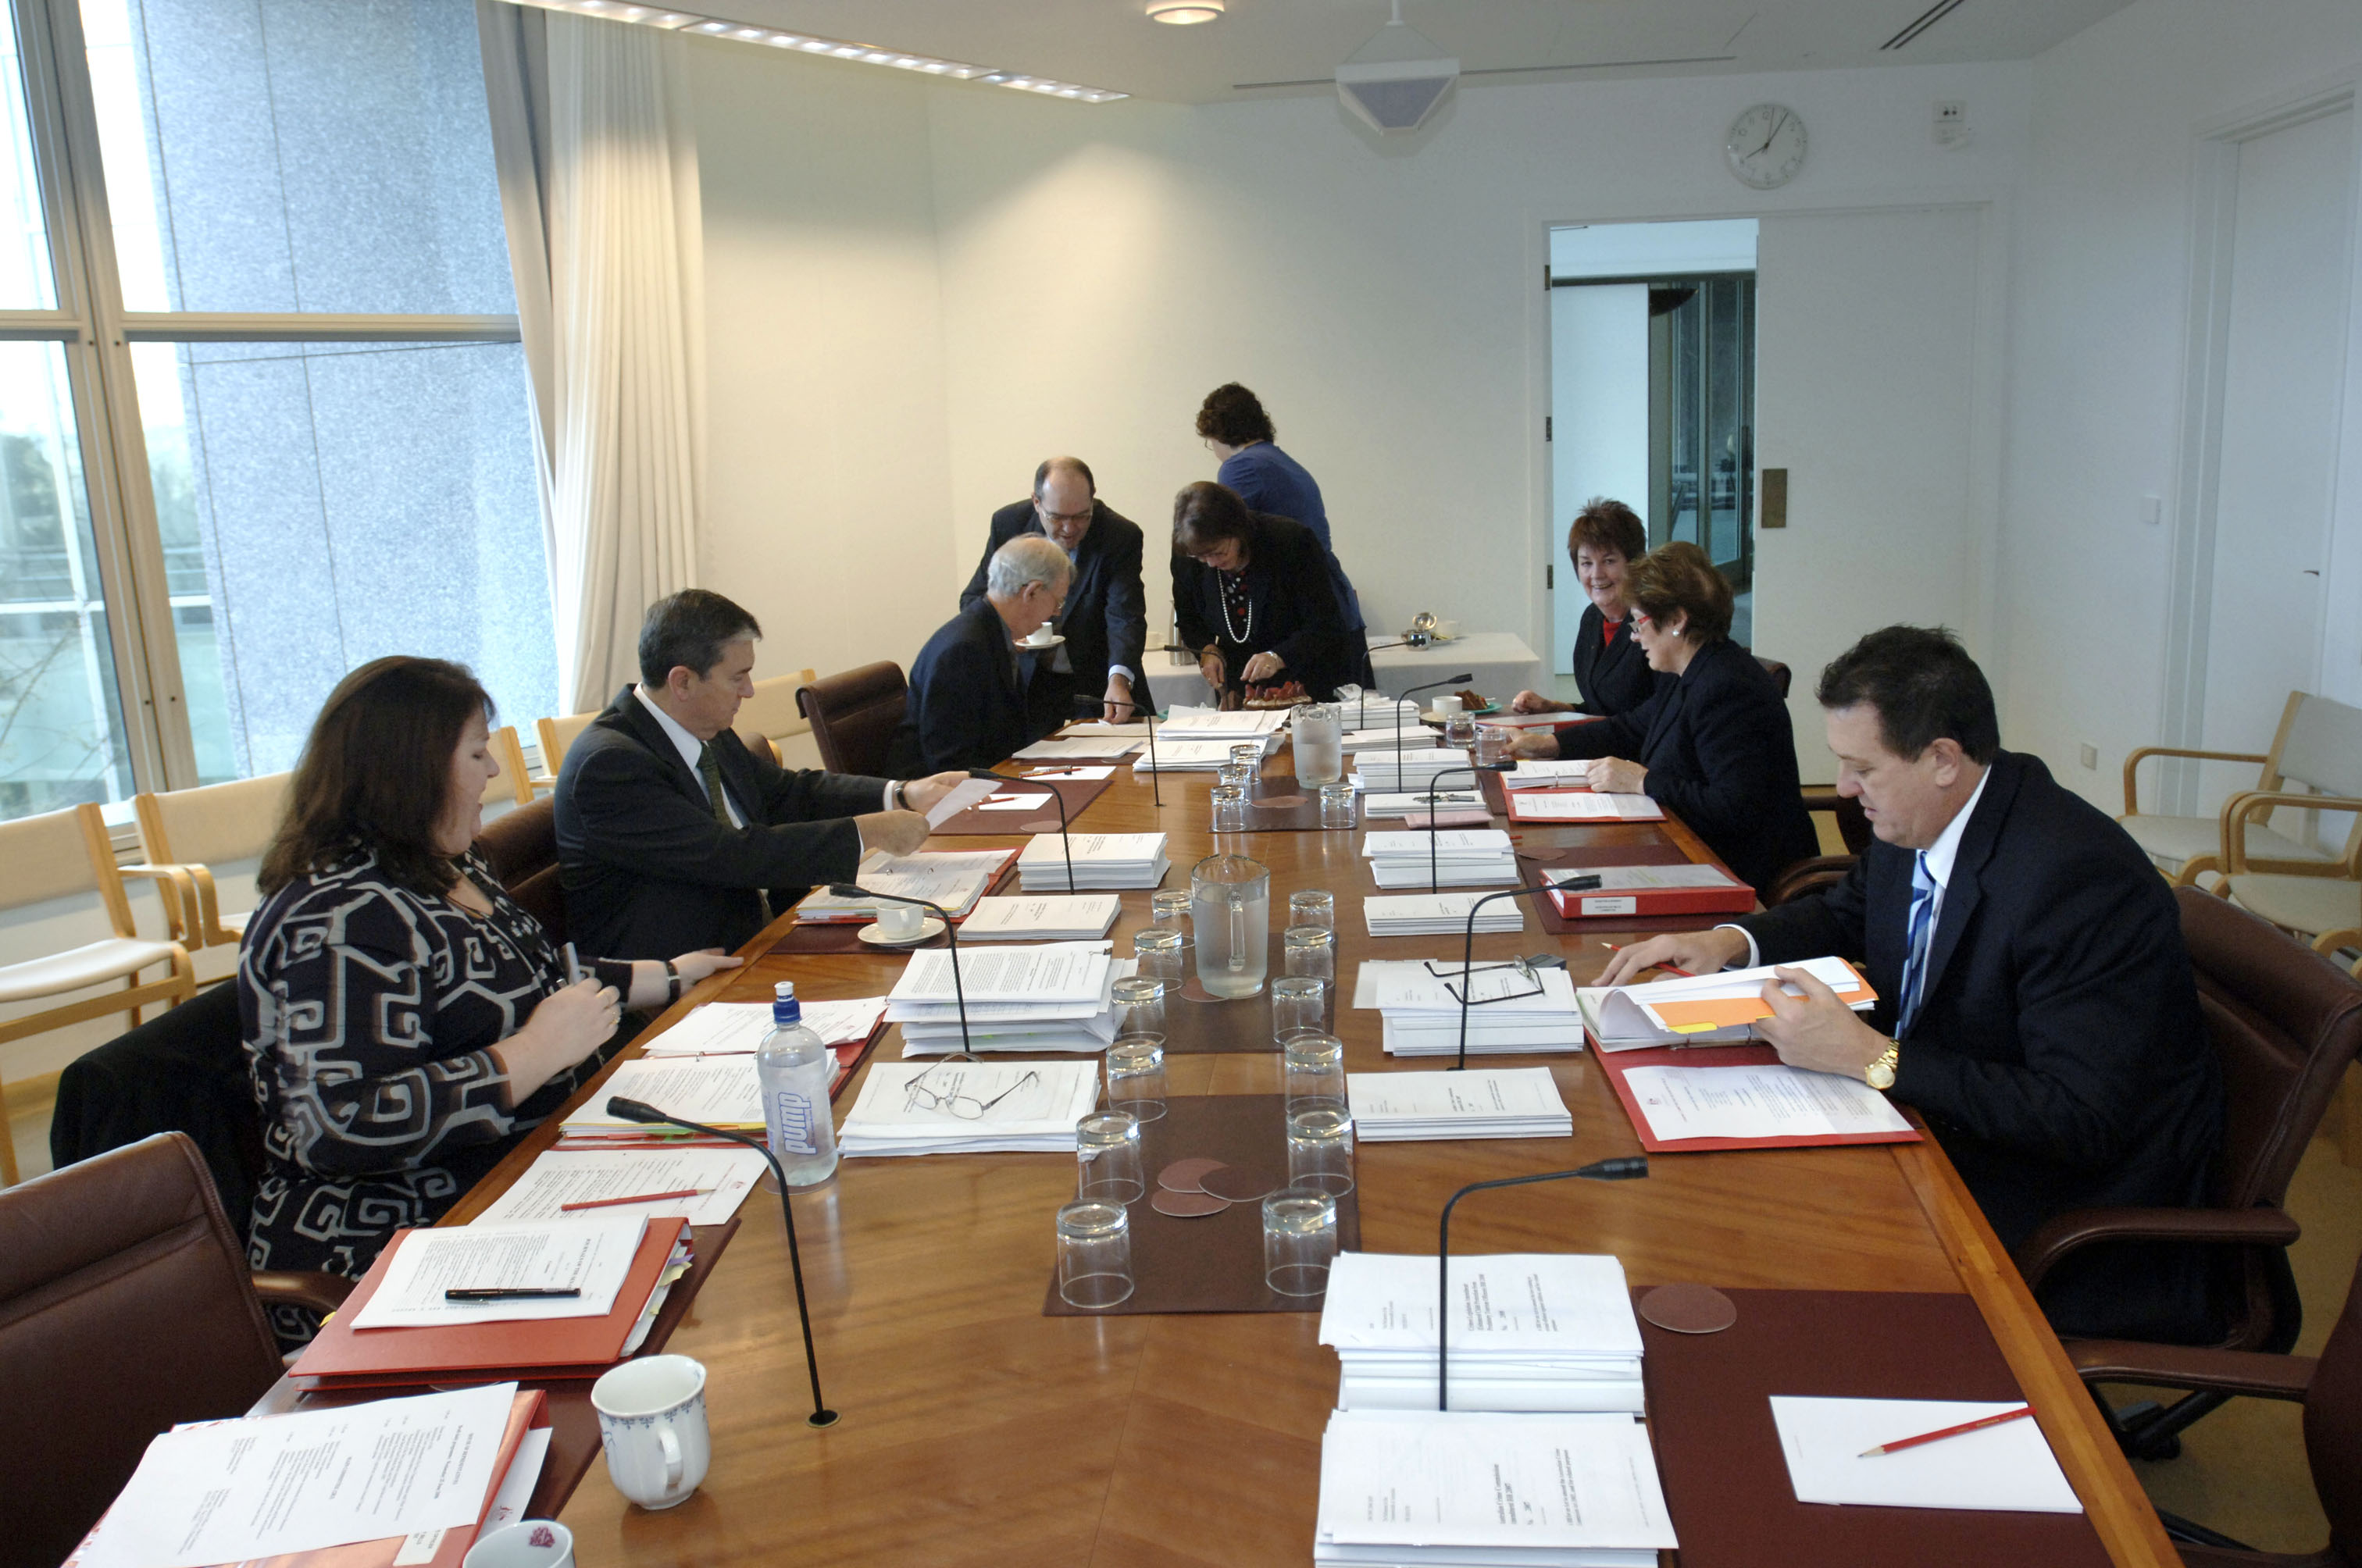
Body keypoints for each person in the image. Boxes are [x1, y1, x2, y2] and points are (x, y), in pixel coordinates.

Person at [1599, 626, 2224, 1342]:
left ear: (1943, 759)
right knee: (1717, 1204)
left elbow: (2078, 1117)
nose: (1843, 788)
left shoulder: (2075, 881)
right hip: (1938, 1124)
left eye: (1862, 767)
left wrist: (1873, 1058)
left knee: (1775, 1272)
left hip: (2055, 1200)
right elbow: (1847, 912)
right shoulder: (1924, 817)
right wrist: (1727, 941)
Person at [239, 657, 742, 1342]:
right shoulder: (338, 919)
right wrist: (527, 1057)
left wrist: (670, 975)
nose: (494, 770)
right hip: (397, 1243)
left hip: (524, 1177)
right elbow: (336, 1124)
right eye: (477, 753)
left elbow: (531, 975)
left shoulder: (447, 861)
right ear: (410, 770)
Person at [556, 590, 969, 958]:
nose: (749, 690)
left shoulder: (702, 727)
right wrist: (867, 832)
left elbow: (787, 792)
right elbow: (726, 856)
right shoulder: (610, 766)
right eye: (737, 677)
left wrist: (902, 793)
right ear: (682, 682)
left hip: (765, 930)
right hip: (692, 970)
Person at [1518, 540, 1815, 893]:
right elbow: (1630, 727)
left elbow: (1734, 808)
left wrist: (1642, 781)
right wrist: (1549, 744)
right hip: (1690, 846)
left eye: (1639, 622)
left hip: (1740, 870)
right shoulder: (1689, 671)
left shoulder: (1727, 687)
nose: (1634, 636)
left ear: (1676, 620)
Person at [1197, 382, 1374, 687]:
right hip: (1334, 599)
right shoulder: (1285, 463)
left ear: (1217, 433)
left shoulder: (1240, 468)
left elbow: (1229, 543)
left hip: (1302, 617)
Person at [959, 456, 1146, 728]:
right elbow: (975, 599)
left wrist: (1119, 680)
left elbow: (1124, 616)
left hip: (1098, 685)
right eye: (1057, 517)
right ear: (1037, 502)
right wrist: (1009, 636)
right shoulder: (1008, 525)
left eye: (1081, 516)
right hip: (1027, 685)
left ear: (1092, 498)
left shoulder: (1119, 535)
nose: (1070, 529)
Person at [1171, 480, 1361, 707]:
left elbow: (1324, 623)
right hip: (1243, 685)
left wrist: (1277, 656)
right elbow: (1189, 617)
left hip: (1305, 677)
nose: (1210, 563)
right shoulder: (1189, 555)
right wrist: (1207, 650)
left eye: (1218, 553)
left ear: (1237, 530)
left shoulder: (1291, 542)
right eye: (1201, 557)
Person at [894, 534, 1072, 775]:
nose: (1056, 613)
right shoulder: (963, 651)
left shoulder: (990, 631)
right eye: (1058, 603)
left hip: (990, 776)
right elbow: (950, 762)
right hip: (942, 790)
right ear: (1031, 592)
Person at [1509, 497, 1668, 718]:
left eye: (1609, 561)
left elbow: (1651, 718)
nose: (1596, 575)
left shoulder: (1654, 623)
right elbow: (1601, 709)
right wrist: (1553, 707)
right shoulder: (1592, 617)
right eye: (1586, 563)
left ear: (1634, 563)